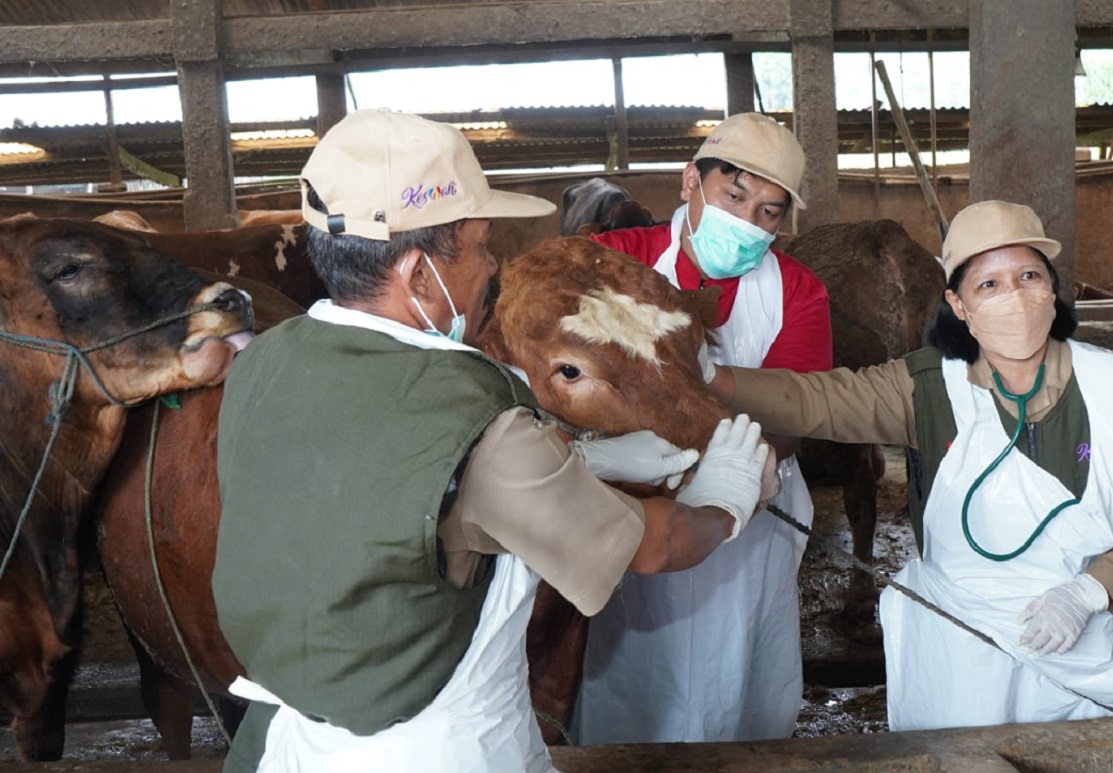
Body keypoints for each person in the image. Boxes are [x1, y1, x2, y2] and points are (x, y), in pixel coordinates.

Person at [210, 108, 773, 773]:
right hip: (437, 749)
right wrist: (726, 499)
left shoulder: (260, 363)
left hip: (282, 745)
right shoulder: (476, 413)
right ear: (419, 274)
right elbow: (651, 545)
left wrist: (578, 456)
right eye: (479, 245)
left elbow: (374, 480)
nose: (493, 262)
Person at [704, 199, 1113, 731]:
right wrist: (708, 379)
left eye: (1029, 275)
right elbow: (813, 399)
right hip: (963, 652)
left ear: (1052, 289)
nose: (1015, 295)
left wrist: (1089, 592)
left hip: (1088, 644)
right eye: (989, 284)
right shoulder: (925, 388)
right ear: (957, 305)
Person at [573, 112, 832, 744]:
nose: (748, 222)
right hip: (633, 508)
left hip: (751, 518)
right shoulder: (610, 263)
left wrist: (752, 466)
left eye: (769, 212)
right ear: (692, 180)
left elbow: (791, 419)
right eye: (733, 195)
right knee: (628, 672)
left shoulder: (799, 293)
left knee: (736, 678)